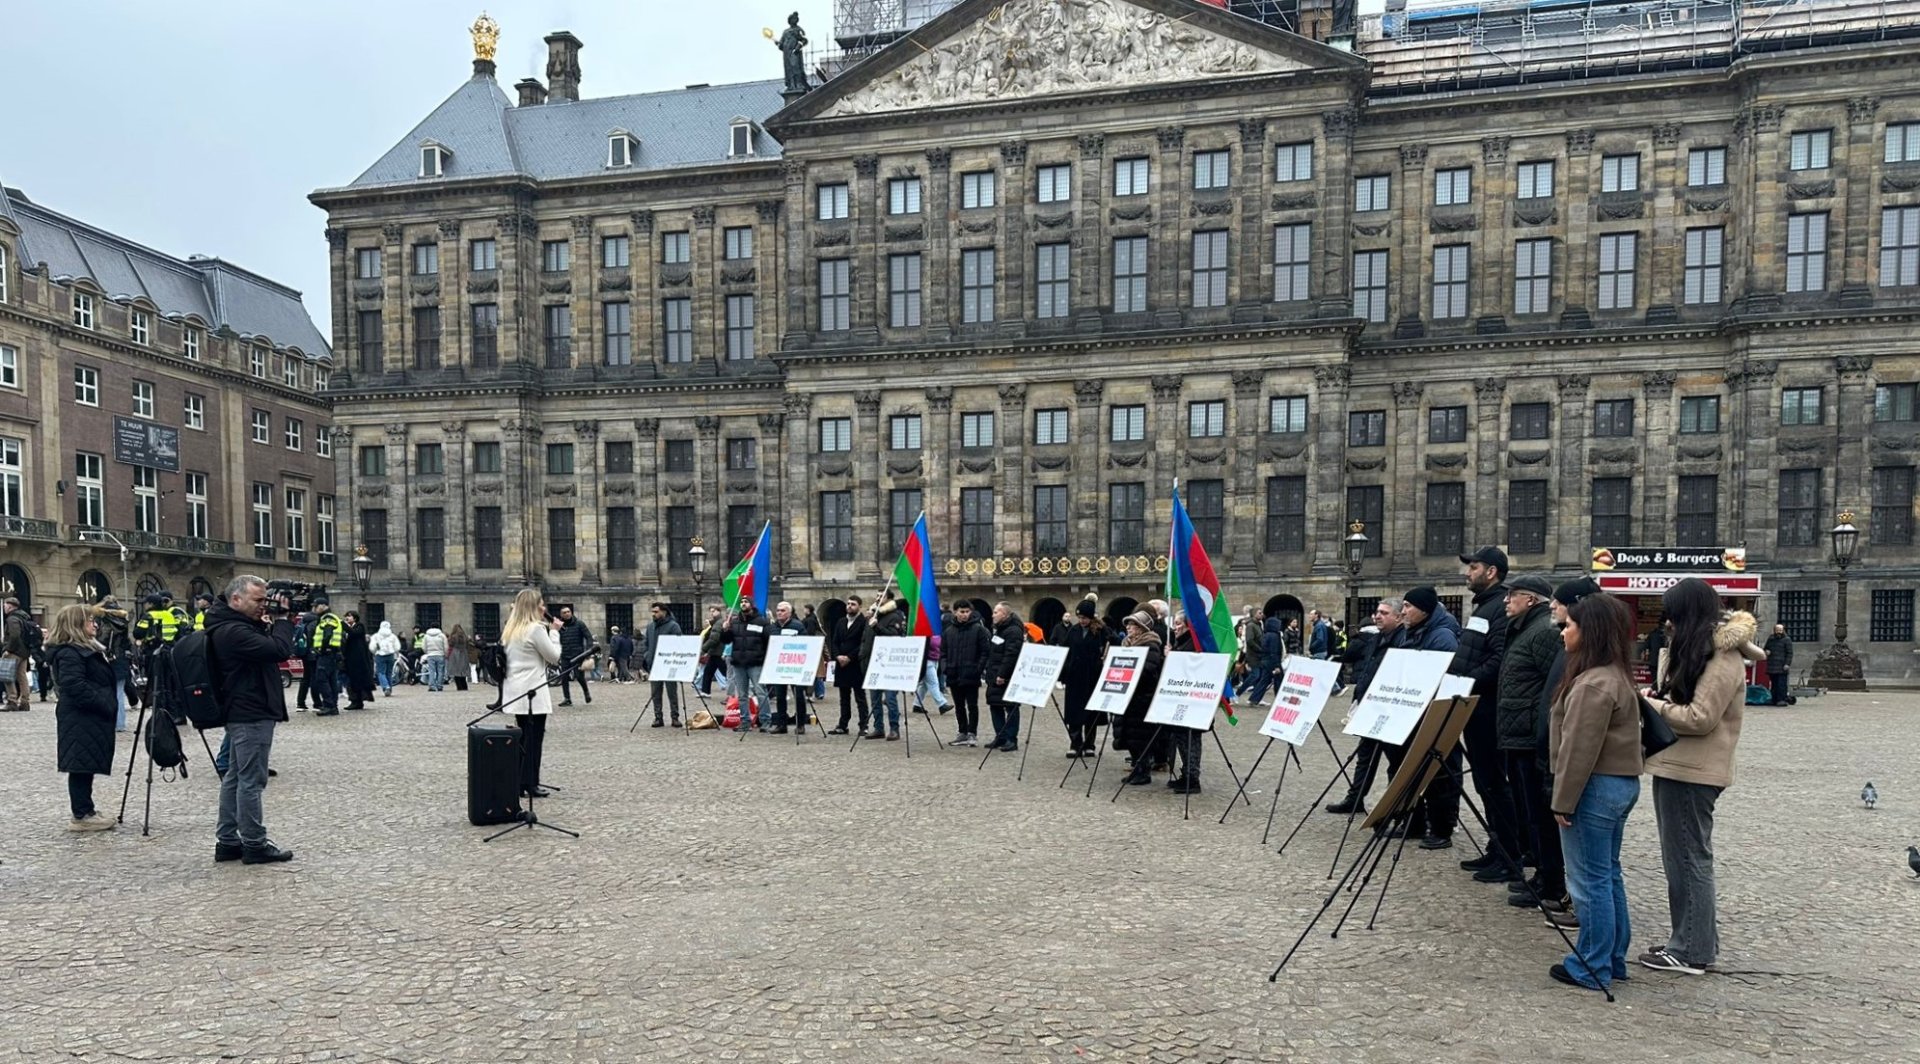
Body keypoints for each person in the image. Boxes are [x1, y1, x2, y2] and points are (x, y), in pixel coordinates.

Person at [1639, 578, 1751, 977]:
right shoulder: (1698, 651)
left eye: (1671, 613)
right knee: (1680, 858)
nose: (1666, 621)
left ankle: (1691, 949)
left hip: (1695, 769)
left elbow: (1700, 718)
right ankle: (1686, 938)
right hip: (1679, 765)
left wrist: (1650, 705)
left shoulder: (1723, 658)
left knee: (1689, 858)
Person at [1546, 591, 1645, 991]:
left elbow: (1578, 751)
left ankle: (1591, 963)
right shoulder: (1616, 674)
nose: (1563, 632)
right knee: (1607, 875)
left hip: (1595, 787)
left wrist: (1562, 801)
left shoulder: (1593, 683)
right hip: (1619, 784)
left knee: (1587, 882)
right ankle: (1612, 956)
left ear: (1589, 632)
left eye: (1569, 625)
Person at [207, 575, 297, 864]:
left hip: (242, 709)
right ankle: (255, 843)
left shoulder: (228, 624)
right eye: (258, 600)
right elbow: (278, 651)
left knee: (234, 777)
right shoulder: (234, 631)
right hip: (251, 711)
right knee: (251, 780)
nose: (263, 605)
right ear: (236, 599)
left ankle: (229, 841)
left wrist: (266, 620)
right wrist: (283, 620)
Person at [1453, 546, 1524, 883]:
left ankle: (1510, 855)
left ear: (1492, 572)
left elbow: (1498, 660)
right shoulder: (1484, 606)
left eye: (1474, 567)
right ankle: (1496, 847)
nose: (1468, 573)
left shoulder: (1498, 608)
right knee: (1484, 783)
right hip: (1475, 706)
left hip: (1488, 709)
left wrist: (1463, 680)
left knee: (1495, 784)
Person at [1496, 575, 1566, 906]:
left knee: (1539, 814)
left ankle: (1551, 882)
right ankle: (1541, 872)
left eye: (1514, 595)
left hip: (1529, 737)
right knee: (1529, 812)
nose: (1506, 600)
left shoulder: (1543, 632)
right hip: (1517, 734)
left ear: (1532, 600)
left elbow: (1553, 686)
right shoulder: (1526, 629)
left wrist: (1539, 730)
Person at [1379, 586, 1461, 848]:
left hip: (1432, 717)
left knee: (1438, 776)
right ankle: (1412, 822)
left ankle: (1441, 829)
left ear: (1424, 610)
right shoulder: (1408, 633)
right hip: (1409, 716)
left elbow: (1439, 679)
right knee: (1406, 770)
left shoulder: (1442, 637)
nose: (1403, 612)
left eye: (1408, 606)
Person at [1325, 597, 1404, 814]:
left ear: (1398, 617)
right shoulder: (1375, 639)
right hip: (1370, 705)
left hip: (1389, 708)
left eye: (1384, 613)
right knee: (1365, 756)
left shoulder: (1403, 640)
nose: (1378, 615)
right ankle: (1355, 798)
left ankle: (1395, 806)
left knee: (1395, 760)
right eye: (1377, 612)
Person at [47, 604, 117, 831]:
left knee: (86, 763)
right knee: (80, 764)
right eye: (89, 620)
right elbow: (73, 684)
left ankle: (86, 809)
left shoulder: (85, 649)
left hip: (88, 716)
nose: (94, 624)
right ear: (76, 625)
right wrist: (103, 702)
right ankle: (81, 814)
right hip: (81, 715)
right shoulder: (69, 652)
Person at [501, 587, 563, 798]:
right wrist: (554, 632)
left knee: (523, 738)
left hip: (515, 689)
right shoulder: (536, 629)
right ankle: (531, 782)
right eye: (541, 604)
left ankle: (520, 781)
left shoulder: (511, 629)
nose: (544, 607)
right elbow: (554, 657)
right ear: (533, 607)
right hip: (533, 690)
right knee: (534, 739)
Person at [1117, 611, 1167, 786]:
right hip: (1127, 696)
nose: (1128, 628)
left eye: (1132, 625)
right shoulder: (1126, 644)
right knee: (1130, 735)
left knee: (1141, 736)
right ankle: (1136, 768)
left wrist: (1132, 670)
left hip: (1142, 696)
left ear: (1141, 628)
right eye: (1128, 624)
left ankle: (1143, 770)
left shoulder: (1151, 644)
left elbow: (1149, 669)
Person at [1054, 596, 1107, 757]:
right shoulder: (1074, 630)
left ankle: (1089, 744)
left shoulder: (1100, 630)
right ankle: (1075, 743)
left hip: (1092, 677)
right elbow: (1066, 651)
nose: (1082, 620)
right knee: (1074, 712)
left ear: (1091, 617)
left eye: (1084, 617)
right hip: (1075, 677)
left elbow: (1112, 644)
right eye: (1080, 617)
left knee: (1090, 712)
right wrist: (1063, 673)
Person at [1165, 612, 1204, 794]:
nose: (1175, 627)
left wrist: (1171, 656)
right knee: (1182, 738)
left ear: (1188, 626)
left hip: (1193, 702)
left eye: (1179, 623)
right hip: (1181, 699)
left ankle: (1192, 778)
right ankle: (1186, 774)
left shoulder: (1193, 644)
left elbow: (1187, 668)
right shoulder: (1182, 642)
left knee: (1191, 739)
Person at [943, 601, 989, 747]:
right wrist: (945, 667)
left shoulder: (978, 629)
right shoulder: (949, 631)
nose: (964, 615)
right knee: (959, 705)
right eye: (962, 612)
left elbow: (985, 651)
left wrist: (978, 669)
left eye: (967, 612)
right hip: (953, 673)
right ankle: (962, 731)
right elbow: (943, 652)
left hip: (971, 673)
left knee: (972, 705)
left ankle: (972, 733)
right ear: (955, 612)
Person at [860, 597, 907, 740]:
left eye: (882, 596)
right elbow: (865, 639)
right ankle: (878, 727)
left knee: (890, 698)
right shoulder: (872, 616)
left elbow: (893, 637)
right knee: (875, 699)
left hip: (888, 665)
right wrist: (861, 655)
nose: (878, 598)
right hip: (872, 663)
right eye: (877, 596)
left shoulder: (895, 617)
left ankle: (894, 729)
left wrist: (877, 627)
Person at [982, 601, 1026, 752]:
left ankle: (1011, 739)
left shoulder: (1013, 631)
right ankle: (1000, 736)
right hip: (994, 674)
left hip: (1005, 676)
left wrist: (1003, 674)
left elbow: (1011, 655)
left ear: (1005, 614)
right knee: (995, 705)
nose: (992, 615)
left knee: (1010, 707)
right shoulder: (999, 630)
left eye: (996, 612)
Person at [724, 602, 772, 731]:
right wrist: (726, 630)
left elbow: (769, 641)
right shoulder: (734, 622)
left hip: (756, 662)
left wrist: (765, 659)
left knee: (761, 692)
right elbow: (726, 640)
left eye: (746, 602)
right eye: (742, 602)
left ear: (751, 605)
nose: (743, 604)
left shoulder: (762, 622)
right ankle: (745, 721)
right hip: (739, 663)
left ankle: (765, 721)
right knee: (742, 694)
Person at [828, 595, 869, 735]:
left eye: (853, 604)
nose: (849, 606)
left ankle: (864, 725)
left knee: (860, 697)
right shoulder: (841, 621)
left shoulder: (864, 622)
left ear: (859, 607)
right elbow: (834, 641)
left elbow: (863, 643)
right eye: (848, 604)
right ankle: (843, 724)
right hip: (841, 664)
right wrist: (837, 655)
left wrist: (850, 657)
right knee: (844, 697)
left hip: (855, 664)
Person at [767, 601, 809, 734]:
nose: (779, 612)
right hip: (779, 666)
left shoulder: (798, 626)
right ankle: (781, 724)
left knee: (799, 696)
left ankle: (801, 724)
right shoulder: (773, 627)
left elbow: (805, 643)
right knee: (780, 695)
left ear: (789, 613)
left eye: (782, 610)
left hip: (794, 665)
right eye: (778, 610)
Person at [643, 602, 683, 727]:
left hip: (669, 664)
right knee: (655, 693)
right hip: (654, 665)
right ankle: (658, 717)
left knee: (672, 693)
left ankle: (675, 717)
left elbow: (679, 644)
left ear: (664, 612)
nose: (653, 614)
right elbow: (647, 644)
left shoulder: (673, 626)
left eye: (656, 612)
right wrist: (647, 656)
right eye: (653, 612)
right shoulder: (650, 627)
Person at [307, 599, 346, 715]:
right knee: (331, 680)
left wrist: (322, 649)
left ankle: (329, 705)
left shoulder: (328, 618)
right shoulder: (331, 617)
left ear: (324, 606)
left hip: (326, 653)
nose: (314, 608)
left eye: (316, 606)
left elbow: (328, 634)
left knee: (322, 679)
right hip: (332, 653)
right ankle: (333, 705)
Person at [2, 596, 35, 711]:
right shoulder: (24, 617)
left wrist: (8, 649)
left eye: (5, 605)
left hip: (14, 651)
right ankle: (25, 702)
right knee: (22, 677)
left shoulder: (12, 619)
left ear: (10, 606)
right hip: (24, 651)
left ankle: (12, 700)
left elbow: (14, 636)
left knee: (7, 675)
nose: (4, 607)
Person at [341, 610, 375, 711]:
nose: (347, 618)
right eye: (346, 616)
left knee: (357, 680)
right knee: (351, 681)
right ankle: (355, 700)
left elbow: (354, 633)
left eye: (349, 616)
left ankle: (357, 701)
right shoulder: (348, 629)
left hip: (358, 660)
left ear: (355, 618)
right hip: (350, 659)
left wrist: (344, 626)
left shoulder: (359, 626)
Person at [1763, 623, 1794, 706]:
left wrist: (1787, 664)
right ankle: (1774, 699)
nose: (1778, 632)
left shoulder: (1787, 640)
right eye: (1777, 630)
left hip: (1782, 665)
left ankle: (1781, 699)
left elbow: (1789, 653)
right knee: (1774, 684)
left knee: (1781, 684)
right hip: (1772, 665)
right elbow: (1766, 648)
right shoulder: (1771, 638)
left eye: (1780, 630)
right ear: (1774, 630)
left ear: (1783, 630)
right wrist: (1766, 651)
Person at [370, 621, 401, 696]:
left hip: (380, 655)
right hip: (390, 655)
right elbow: (397, 647)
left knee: (381, 672)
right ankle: (389, 688)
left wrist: (374, 652)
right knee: (389, 673)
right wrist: (394, 651)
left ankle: (385, 686)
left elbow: (372, 647)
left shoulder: (376, 636)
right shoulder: (393, 636)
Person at [421, 625, 449, 691]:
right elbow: (445, 646)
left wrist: (427, 652)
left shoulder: (426, 636)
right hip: (440, 655)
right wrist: (445, 653)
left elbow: (423, 646)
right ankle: (439, 685)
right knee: (440, 671)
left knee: (431, 671)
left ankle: (432, 686)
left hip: (430, 655)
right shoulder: (442, 635)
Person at [448, 624, 472, 691]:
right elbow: (468, 645)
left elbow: (450, 644)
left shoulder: (453, 637)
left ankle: (459, 686)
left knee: (456, 670)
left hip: (455, 653)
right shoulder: (465, 637)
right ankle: (464, 686)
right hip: (464, 653)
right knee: (463, 670)